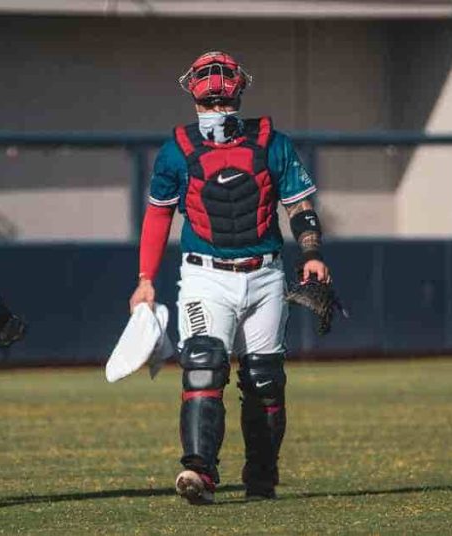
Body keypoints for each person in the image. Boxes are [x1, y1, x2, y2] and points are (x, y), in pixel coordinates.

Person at [128, 51, 331, 505]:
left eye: (222, 94)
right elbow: (157, 218)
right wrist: (145, 277)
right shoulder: (176, 150)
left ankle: (261, 476)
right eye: (211, 96)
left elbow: (298, 206)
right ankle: (199, 470)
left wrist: (313, 253)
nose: (217, 102)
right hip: (206, 276)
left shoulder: (272, 142)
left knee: (265, 380)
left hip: (264, 275)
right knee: (203, 364)